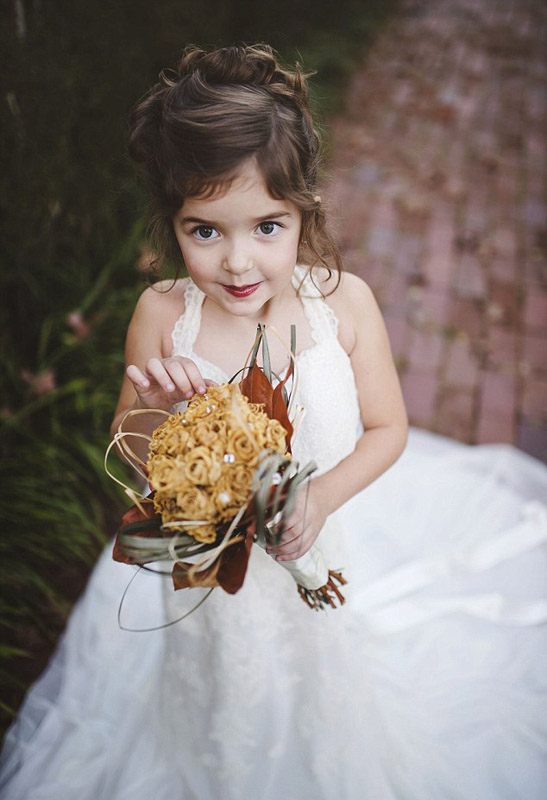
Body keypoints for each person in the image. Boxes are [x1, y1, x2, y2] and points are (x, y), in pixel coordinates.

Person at [1, 44, 546, 800]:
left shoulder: (344, 305)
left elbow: (387, 429)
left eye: (266, 226)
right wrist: (156, 415)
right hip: (208, 585)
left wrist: (317, 501)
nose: (237, 262)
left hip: (310, 549)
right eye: (205, 231)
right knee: (218, 702)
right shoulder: (161, 315)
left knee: (315, 689)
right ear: (171, 224)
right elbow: (130, 450)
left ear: (303, 212)